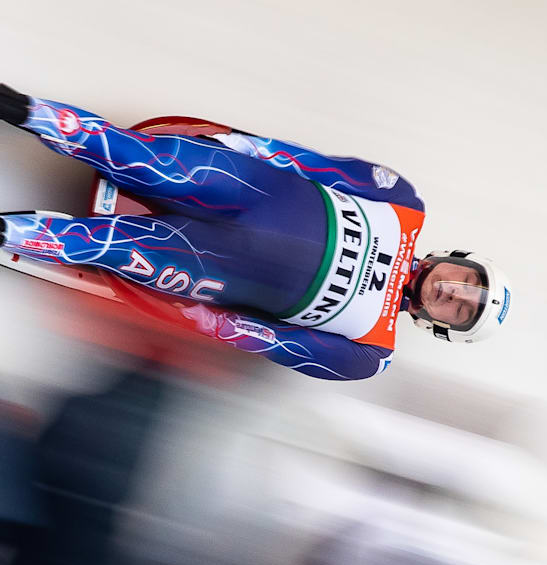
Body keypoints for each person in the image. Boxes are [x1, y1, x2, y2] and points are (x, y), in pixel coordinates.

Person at [0, 84, 512, 380]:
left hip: (207, 263)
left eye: (461, 309)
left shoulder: (369, 353)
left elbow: (266, 339)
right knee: (127, 152)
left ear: (440, 326)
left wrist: (189, 315)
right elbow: (308, 162)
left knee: (98, 246)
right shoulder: (403, 201)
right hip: (236, 185)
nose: (453, 291)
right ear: (456, 258)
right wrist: (240, 143)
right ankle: (16, 106)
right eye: (466, 280)